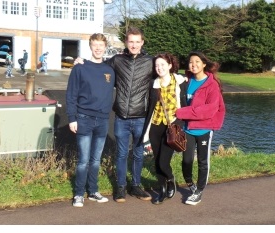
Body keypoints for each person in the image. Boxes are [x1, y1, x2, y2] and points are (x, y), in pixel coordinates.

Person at [74, 27, 154, 203]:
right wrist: (82, 62)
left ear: (142, 42)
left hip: (140, 116)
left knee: (139, 154)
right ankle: (120, 187)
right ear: (126, 42)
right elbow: (98, 66)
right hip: (121, 117)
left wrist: (180, 78)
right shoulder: (117, 61)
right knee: (122, 154)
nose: (133, 45)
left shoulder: (150, 62)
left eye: (137, 41)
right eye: (130, 41)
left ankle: (136, 185)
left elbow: (164, 73)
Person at [66, 33, 116, 207]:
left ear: (105, 47)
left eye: (101, 45)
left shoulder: (110, 70)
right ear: (90, 46)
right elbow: (71, 94)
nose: (98, 48)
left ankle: (93, 191)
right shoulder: (80, 68)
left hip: (102, 120)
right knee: (83, 160)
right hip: (84, 118)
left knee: (96, 160)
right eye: (95, 45)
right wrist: (72, 118)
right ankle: (79, 194)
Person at [175, 51, 226, 206]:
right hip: (188, 128)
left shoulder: (212, 85)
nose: (194, 64)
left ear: (204, 64)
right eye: (191, 62)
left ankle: (199, 191)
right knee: (187, 160)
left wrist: (180, 113)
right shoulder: (186, 81)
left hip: (204, 128)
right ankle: (190, 184)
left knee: (203, 161)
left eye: (197, 62)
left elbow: (208, 110)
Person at [143, 53, 187, 205]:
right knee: (156, 160)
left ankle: (170, 179)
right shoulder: (153, 84)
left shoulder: (180, 81)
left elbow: (186, 103)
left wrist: (181, 122)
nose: (159, 68)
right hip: (155, 125)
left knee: (163, 161)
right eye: (157, 65)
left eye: (162, 64)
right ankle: (161, 189)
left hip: (172, 126)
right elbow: (150, 107)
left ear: (169, 65)